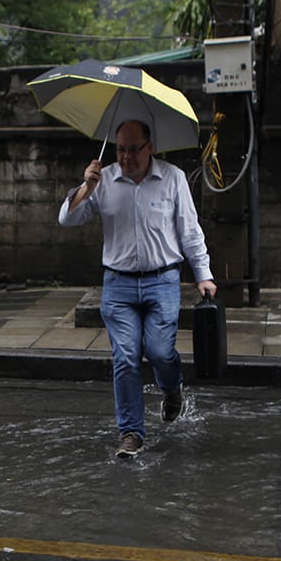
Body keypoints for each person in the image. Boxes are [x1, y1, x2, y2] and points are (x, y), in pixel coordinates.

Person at [59, 120, 216, 459]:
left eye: (133, 149)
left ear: (150, 148)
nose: (126, 157)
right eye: (121, 149)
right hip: (118, 284)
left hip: (163, 280)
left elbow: (189, 230)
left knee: (160, 352)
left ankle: (172, 387)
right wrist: (85, 188)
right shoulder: (104, 179)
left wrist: (203, 274)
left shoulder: (172, 178)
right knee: (126, 358)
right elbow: (67, 220)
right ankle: (131, 432)